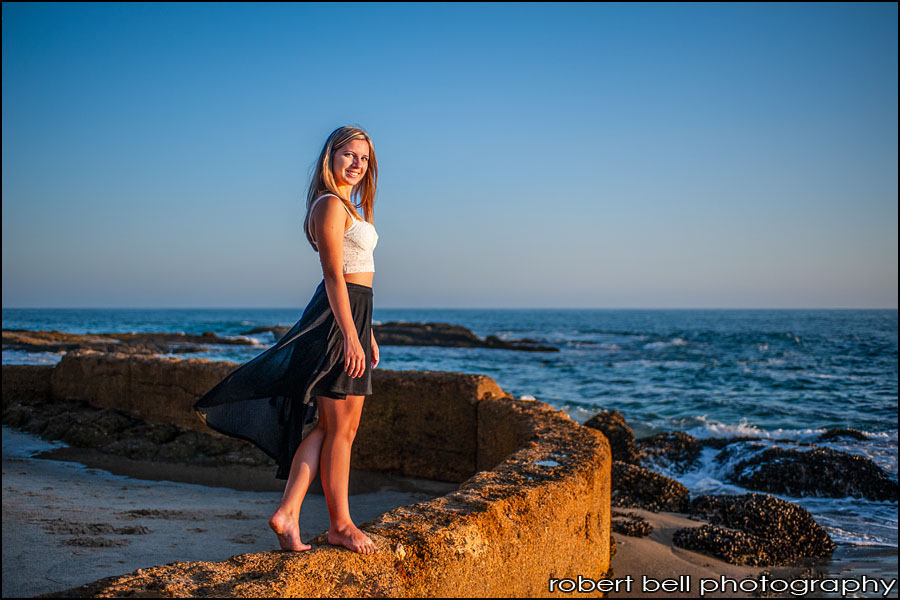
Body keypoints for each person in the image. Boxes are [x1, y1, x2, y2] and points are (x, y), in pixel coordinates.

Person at [193, 125, 380, 555]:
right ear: (330, 156)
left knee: (333, 427)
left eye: (364, 158)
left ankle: (288, 513)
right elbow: (334, 277)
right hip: (336, 320)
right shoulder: (329, 205)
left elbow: (360, 280)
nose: (357, 164)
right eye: (349, 154)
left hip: (352, 315)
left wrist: (367, 333)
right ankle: (341, 525)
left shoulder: (349, 207)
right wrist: (350, 337)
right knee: (341, 432)